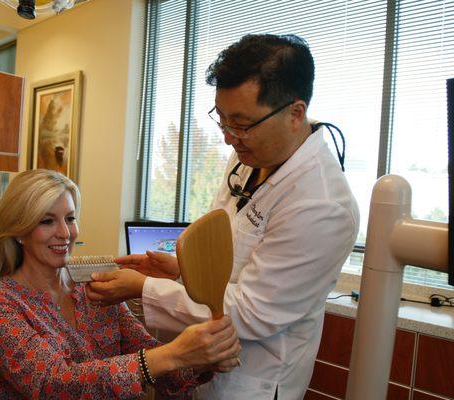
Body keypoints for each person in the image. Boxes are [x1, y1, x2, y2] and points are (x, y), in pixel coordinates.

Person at [87, 34, 360, 400]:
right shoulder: (249, 158)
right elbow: (225, 248)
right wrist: (180, 271)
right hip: (206, 365)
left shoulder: (322, 206)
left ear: (295, 113)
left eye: (242, 124)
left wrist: (143, 288)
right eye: (223, 120)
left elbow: (252, 312)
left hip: (253, 380)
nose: (230, 139)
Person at [0, 169, 241, 400]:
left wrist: (202, 360)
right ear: (19, 230)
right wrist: (174, 354)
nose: (65, 233)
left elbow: (154, 361)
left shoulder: (93, 288)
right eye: (47, 221)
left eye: (70, 218)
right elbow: (51, 385)